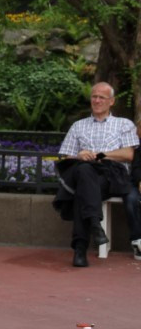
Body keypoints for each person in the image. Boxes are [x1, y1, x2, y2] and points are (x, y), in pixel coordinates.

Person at [53, 82, 141, 266]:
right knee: (84, 171)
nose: (97, 100)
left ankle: (80, 249)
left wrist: (101, 155)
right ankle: (94, 224)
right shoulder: (78, 126)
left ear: (111, 101)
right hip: (87, 174)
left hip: (113, 176)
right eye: (94, 96)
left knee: (82, 191)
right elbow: (66, 156)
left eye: (102, 97)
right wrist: (79, 154)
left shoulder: (124, 124)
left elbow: (128, 154)